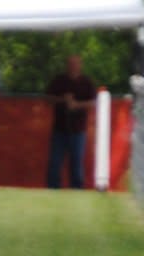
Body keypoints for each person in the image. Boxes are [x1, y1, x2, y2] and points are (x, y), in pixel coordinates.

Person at [45, 55, 97, 189]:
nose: (73, 66)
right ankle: (52, 191)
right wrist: (63, 100)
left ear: (80, 65)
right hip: (59, 130)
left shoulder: (86, 82)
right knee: (54, 165)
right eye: (70, 64)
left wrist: (77, 105)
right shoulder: (59, 80)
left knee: (76, 166)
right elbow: (47, 99)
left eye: (75, 64)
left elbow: (93, 102)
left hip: (78, 130)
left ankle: (77, 192)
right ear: (67, 65)